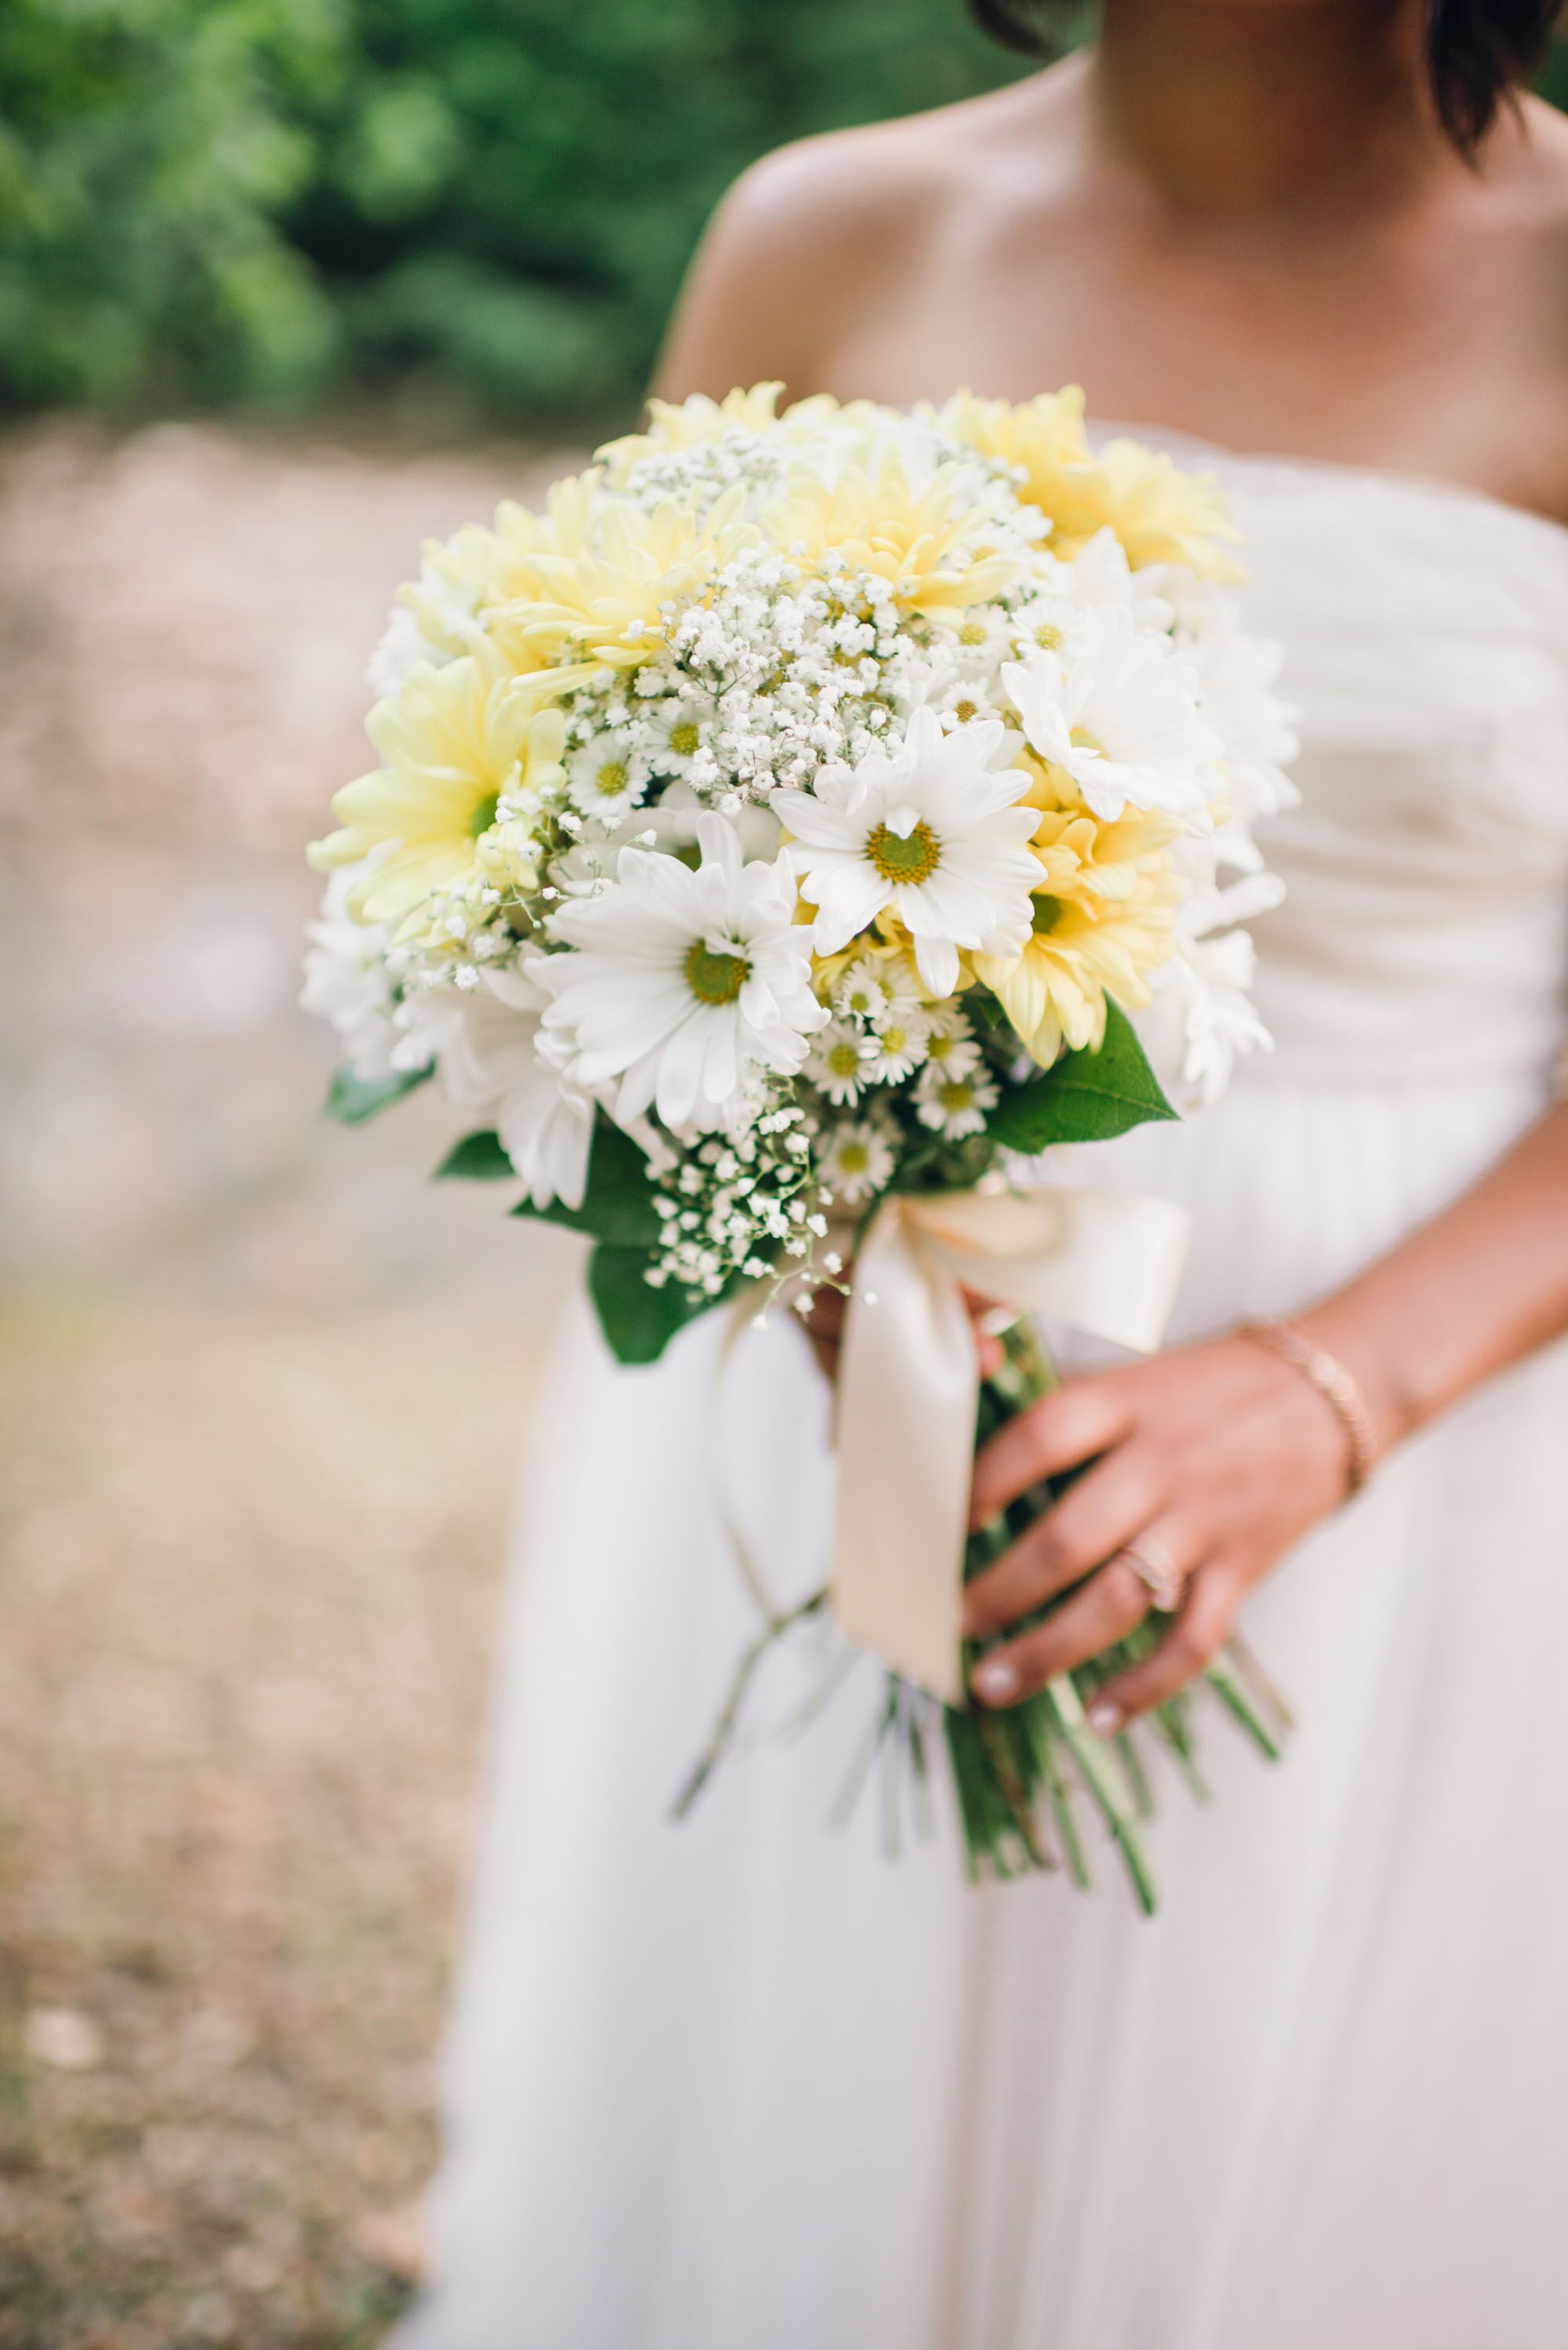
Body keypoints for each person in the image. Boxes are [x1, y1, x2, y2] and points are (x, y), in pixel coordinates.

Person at [391, 5, 1568, 2345]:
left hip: (1438, 1417)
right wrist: (834, 1270)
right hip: (842, 1385)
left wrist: (1323, 1398)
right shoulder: (822, 237)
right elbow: (618, 854)